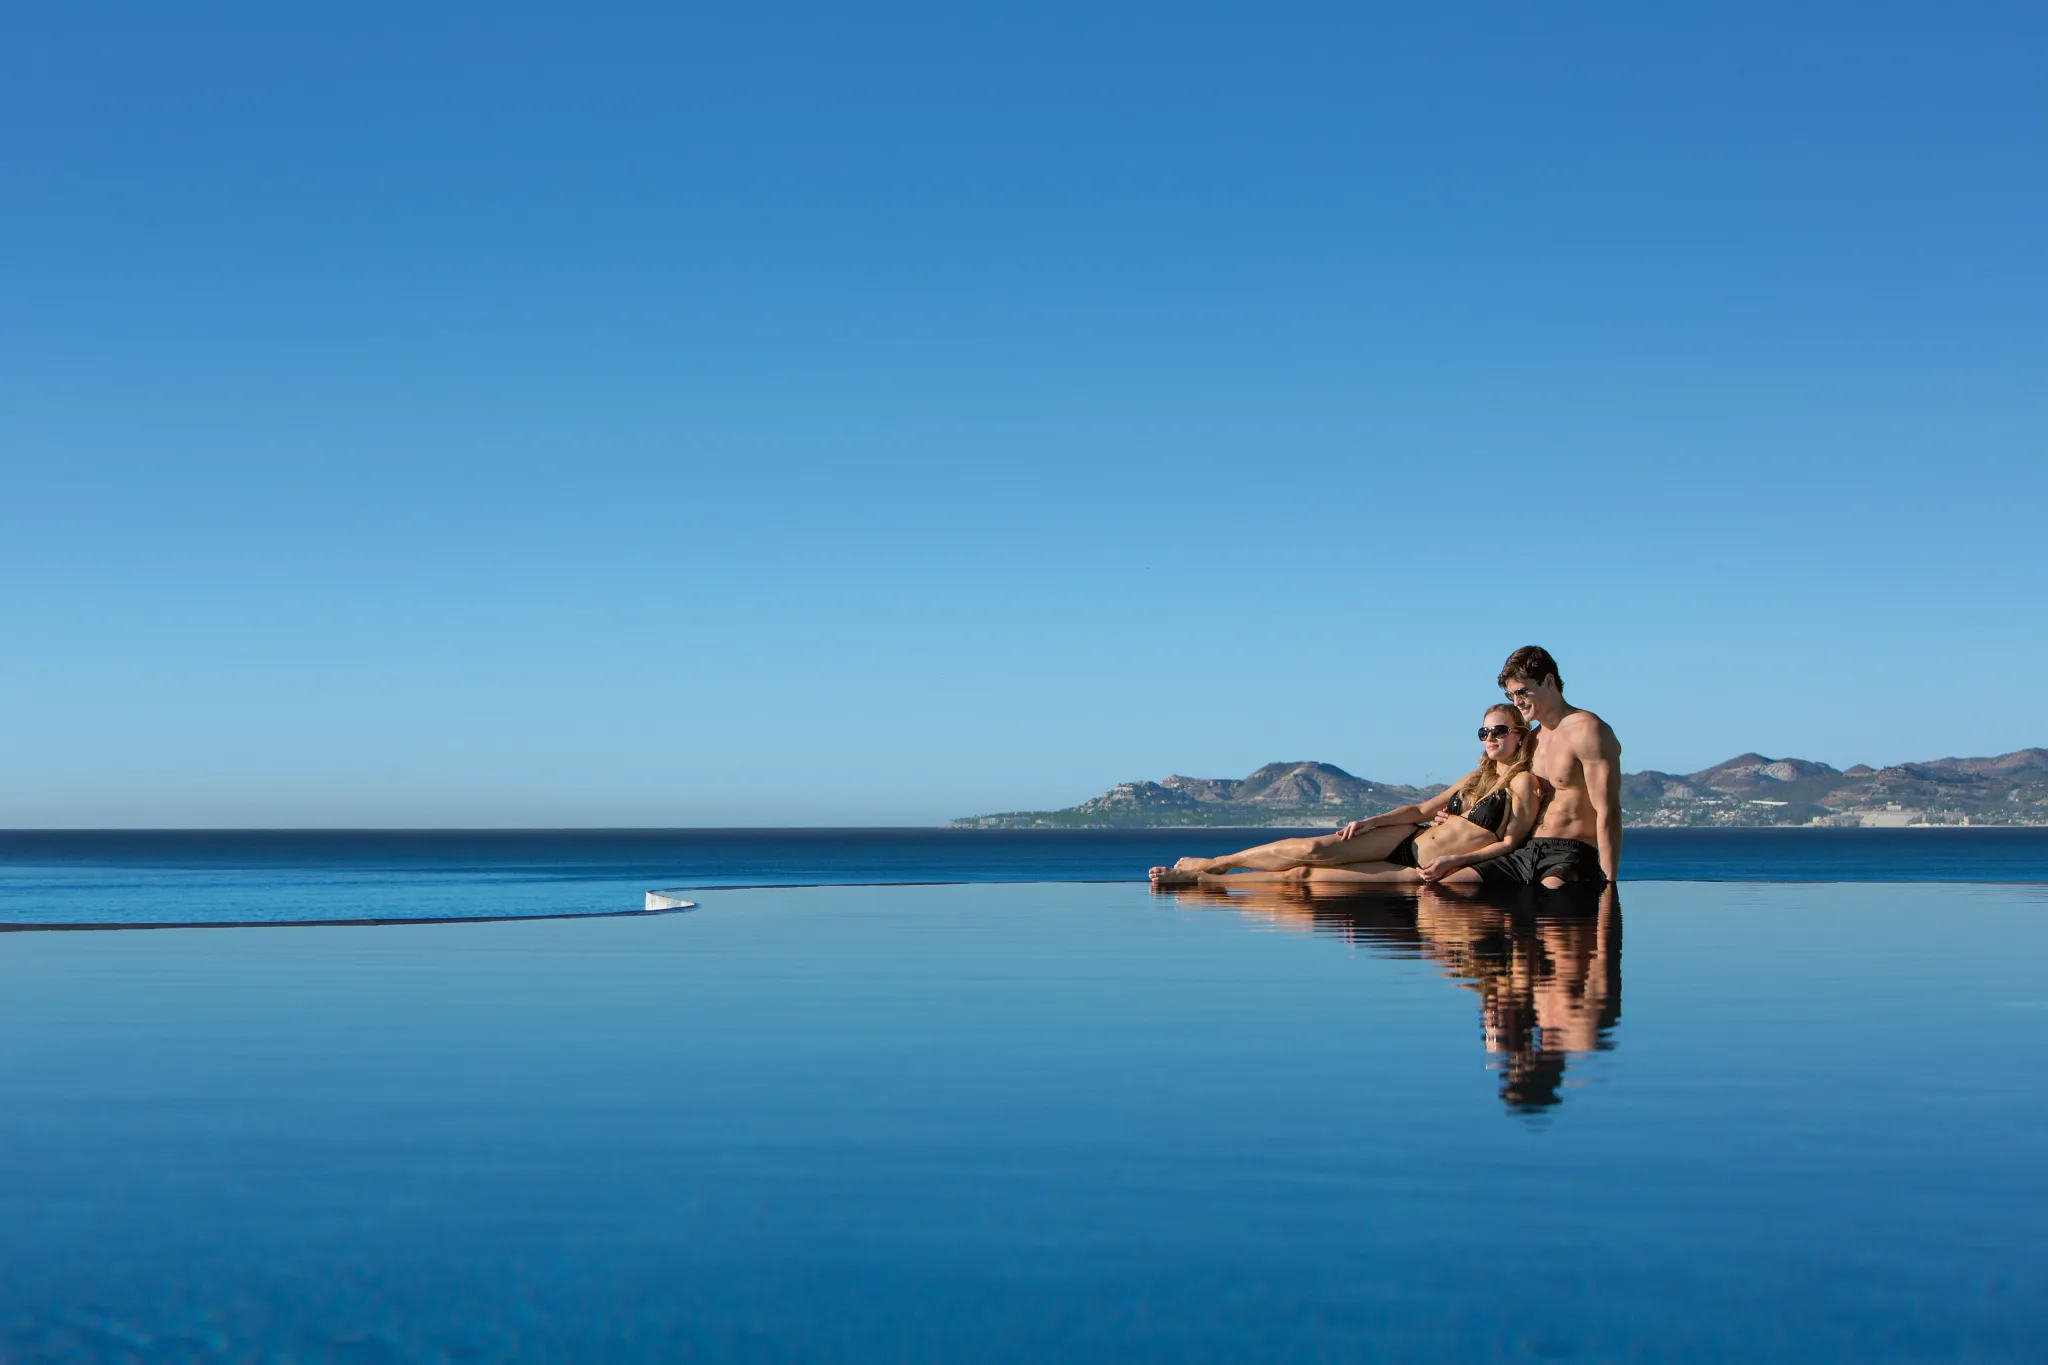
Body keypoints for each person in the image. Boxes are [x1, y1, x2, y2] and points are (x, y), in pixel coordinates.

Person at [1147, 704, 1542, 887]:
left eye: (1500, 731)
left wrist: (1457, 859)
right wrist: (1372, 821)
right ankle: (1217, 864)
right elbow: (1422, 808)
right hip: (1409, 837)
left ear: (1519, 736)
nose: (1490, 738)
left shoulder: (1521, 784)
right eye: (1484, 732)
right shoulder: (1475, 777)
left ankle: (1200, 884)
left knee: (1306, 876)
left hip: (1423, 867)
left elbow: (1511, 841)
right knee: (1312, 849)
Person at [1475, 644, 1623, 888]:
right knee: (1451, 883)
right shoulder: (1531, 739)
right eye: (1510, 695)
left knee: (1551, 895)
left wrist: (1609, 885)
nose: (1517, 702)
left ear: (1549, 681)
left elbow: (1609, 811)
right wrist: (1450, 813)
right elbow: (1495, 790)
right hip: (1525, 850)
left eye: (1522, 692)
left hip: (1571, 853)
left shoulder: (1588, 731)